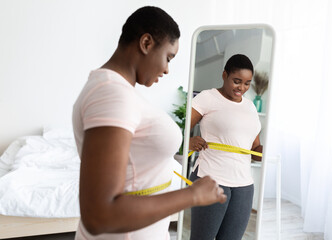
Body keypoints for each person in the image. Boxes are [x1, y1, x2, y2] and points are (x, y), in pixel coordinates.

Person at [72, 6, 226, 240]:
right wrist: (192, 196)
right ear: (146, 43)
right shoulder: (112, 93)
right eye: (168, 57)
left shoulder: (117, 90)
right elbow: (99, 216)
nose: (166, 69)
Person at [188, 54, 263, 240]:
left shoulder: (250, 107)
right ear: (224, 75)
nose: (242, 88)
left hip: (244, 185)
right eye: (237, 81)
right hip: (211, 178)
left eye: (247, 83)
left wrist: (262, 151)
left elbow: (255, 146)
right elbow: (179, 131)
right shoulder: (208, 98)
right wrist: (188, 141)